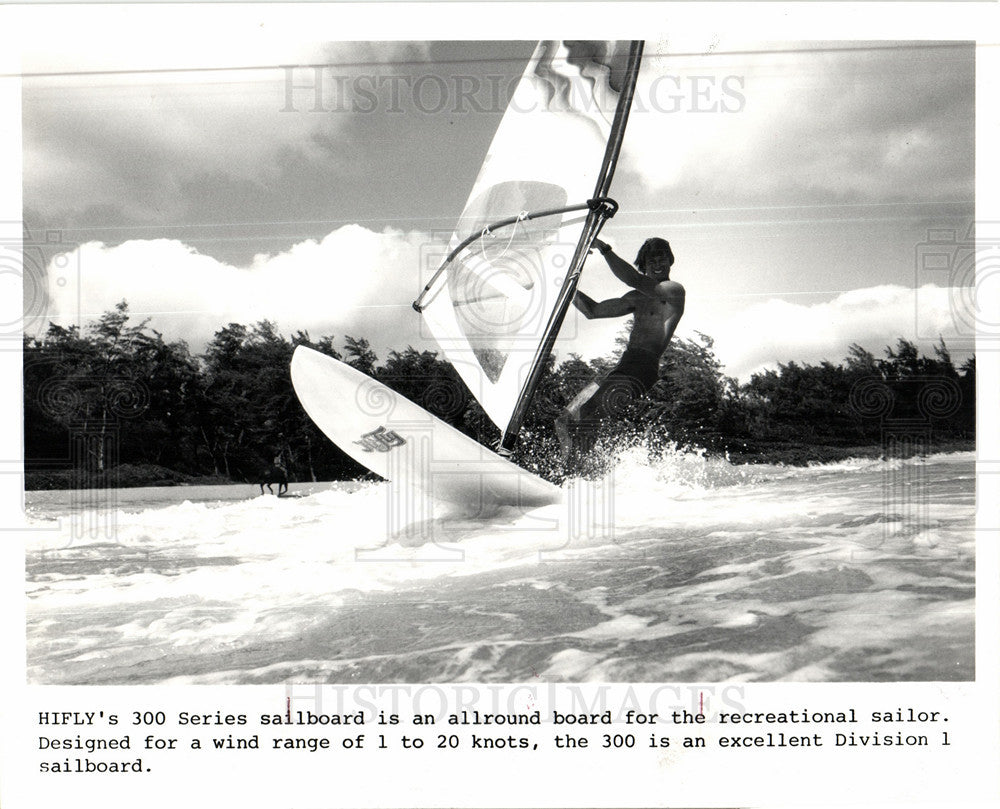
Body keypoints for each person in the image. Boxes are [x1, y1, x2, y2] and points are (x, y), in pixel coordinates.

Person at [555, 236, 685, 459]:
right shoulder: (636, 298)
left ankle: (577, 476)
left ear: (670, 261)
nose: (657, 264)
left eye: (661, 258)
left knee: (589, 414)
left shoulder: (674, 291)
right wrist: (564, 286)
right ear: (644, 266)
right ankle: (566, 468)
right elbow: (593, 311)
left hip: (643, 368)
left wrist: (603, 248)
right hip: (623, 366)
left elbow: (632, 278)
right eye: (650, 260)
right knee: (567, 418)